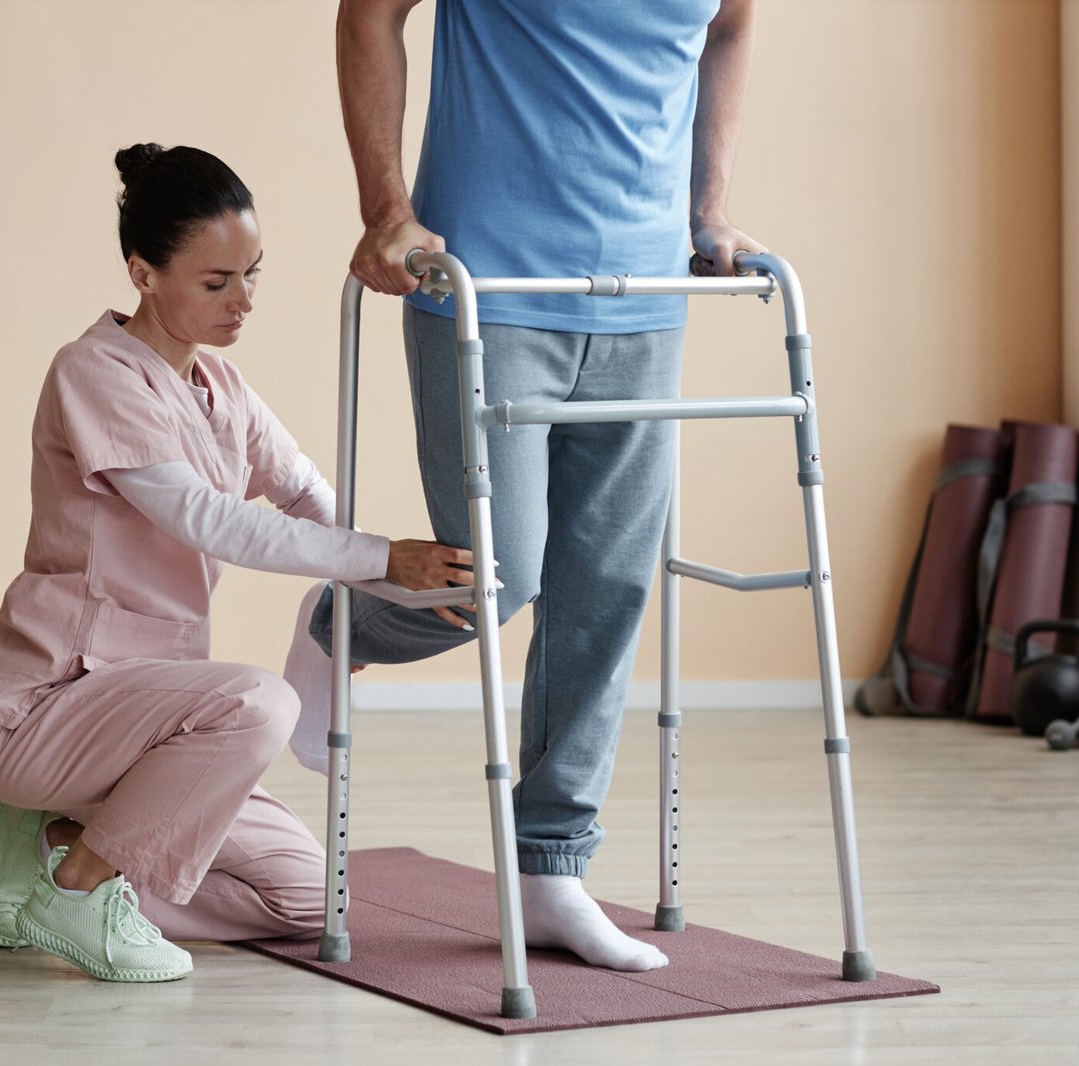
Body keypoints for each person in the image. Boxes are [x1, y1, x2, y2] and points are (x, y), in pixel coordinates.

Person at [287, 0, 763, 973]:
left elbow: (727, 28)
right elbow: (370, 13)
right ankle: (344, 625)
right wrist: (386, 211)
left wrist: (705, 207)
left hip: (643, 295)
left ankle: (551, 869)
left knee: (608, 590)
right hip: (483, 282)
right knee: (494, 576)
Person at [0, 143, 474, 983]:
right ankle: (82, 892)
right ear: (143, 271)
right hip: (45, 707)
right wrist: (383, 557)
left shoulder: (224, 391)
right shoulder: (94, 373)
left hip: (154, 730)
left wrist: (412, 584)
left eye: (253, 275)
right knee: (259, 703)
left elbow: (310, 500)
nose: (243, 303)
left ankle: (50, 849)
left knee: (313, 902)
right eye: (215, 282)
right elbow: (211, 521)